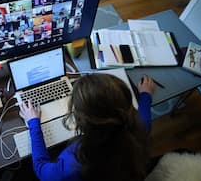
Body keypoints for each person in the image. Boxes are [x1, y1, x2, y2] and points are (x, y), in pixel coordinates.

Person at [19, 74, 155, 181]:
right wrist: (145, 95)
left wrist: (33, 122)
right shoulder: (137, 130)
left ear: (84, 121)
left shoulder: (75, 162)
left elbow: (41, 169)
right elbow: (144, 119)